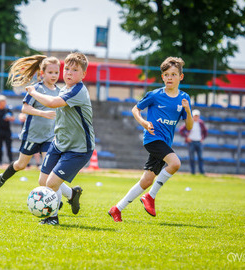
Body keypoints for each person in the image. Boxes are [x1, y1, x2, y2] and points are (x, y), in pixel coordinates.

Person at [0, 55, 83, 217]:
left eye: (56, 72)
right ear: (42, 73)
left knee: (51, 172)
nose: (54, 75)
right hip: (32, 136)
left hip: (49, 138)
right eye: (50, 72)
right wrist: (43, 113)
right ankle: (1, 179)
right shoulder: (37, 88)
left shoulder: (60, 91)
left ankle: (63, 199)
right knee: (20, 165)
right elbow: (25, 109)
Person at [108, 56, 193, 222]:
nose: (170, 77)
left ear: (180, 77)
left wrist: (188, 111)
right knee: (175, 163)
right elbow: (135, 109)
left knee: (147, 180)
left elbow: (189, 127)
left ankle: (116, 209)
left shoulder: (184, 98)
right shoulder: (155, 95)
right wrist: (144, 123)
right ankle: (150, 197)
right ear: (162, 77)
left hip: (165, 143)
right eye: (166, 74)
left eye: (174, 74)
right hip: (153, 140)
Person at [26, 52, 95, 225]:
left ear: (83, 74)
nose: (69, 73)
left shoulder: (78, 91)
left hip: (78, 149)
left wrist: (33, 92)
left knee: (51, 183)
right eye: (67, 69)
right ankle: (72, 194)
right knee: (43, 181)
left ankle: (52, 217)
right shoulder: (65, 89)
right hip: (59, 144)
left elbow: (52, 103)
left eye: (75, 70)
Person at [179, 109, 207, 175]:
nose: (196, 117)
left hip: (199, 142)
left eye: (197, 116)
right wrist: (187, 137)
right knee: (192, 158)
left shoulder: (201, 123)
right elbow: (181, 130)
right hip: (191, 142)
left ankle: (201, 172)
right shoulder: (189, 122)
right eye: (195, 116)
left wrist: (202, 138)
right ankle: (193, 172)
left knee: (200, 157)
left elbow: (205, 131)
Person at [0, 95, 15, 165]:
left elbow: (13, 118)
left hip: (7, 131)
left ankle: (10, 161)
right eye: (3, 101)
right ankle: (0, 162)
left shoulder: (8, 110)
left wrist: (9, 118)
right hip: (0, 130)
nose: (4, 102)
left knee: (9, 147)